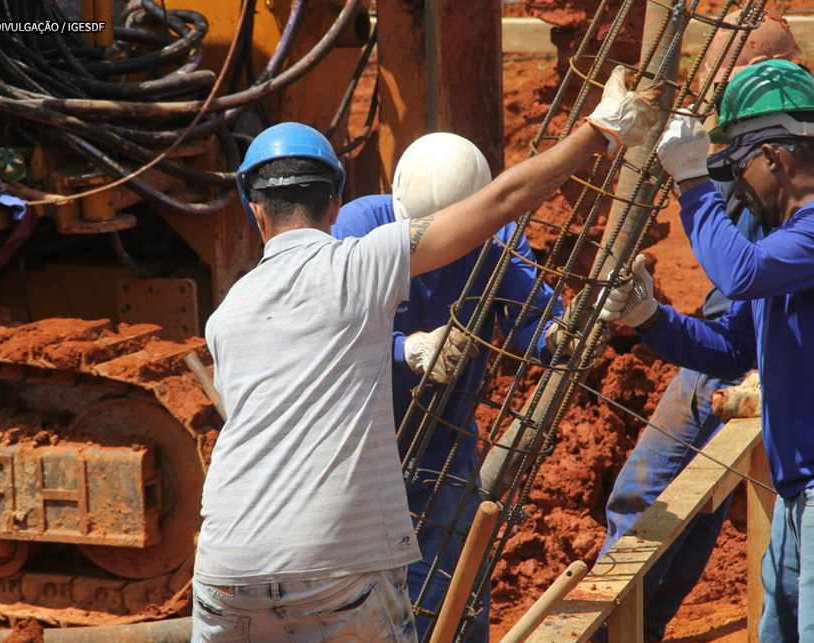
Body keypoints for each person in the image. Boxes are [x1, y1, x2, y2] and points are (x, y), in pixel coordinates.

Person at [191, 65, 662, 643]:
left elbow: (543, 336)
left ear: (254, 207)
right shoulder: (363, 242)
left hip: (397, 472)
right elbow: (316, 330)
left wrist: (585, 323)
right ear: (339, 204)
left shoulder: (229, 311)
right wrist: (405, 349)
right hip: (356, 477)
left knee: (451, 605)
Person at [592, 13, 802, 642]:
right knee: (683, 512)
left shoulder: (795, 204)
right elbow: (735, 334)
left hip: (782, 387)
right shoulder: (762, 168)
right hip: (745, 351)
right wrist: (649, 318)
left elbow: (740, 275)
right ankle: (640, 631)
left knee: (648, 502)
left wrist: (686, 172)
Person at [331, 132, 565, 642]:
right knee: (351, 602)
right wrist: (405, 349)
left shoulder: (495, 239)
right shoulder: (357, 228)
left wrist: (560, 333)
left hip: (442, 446)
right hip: (356, 448)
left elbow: (533, 322)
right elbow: (329, 327)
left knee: (450, 603)